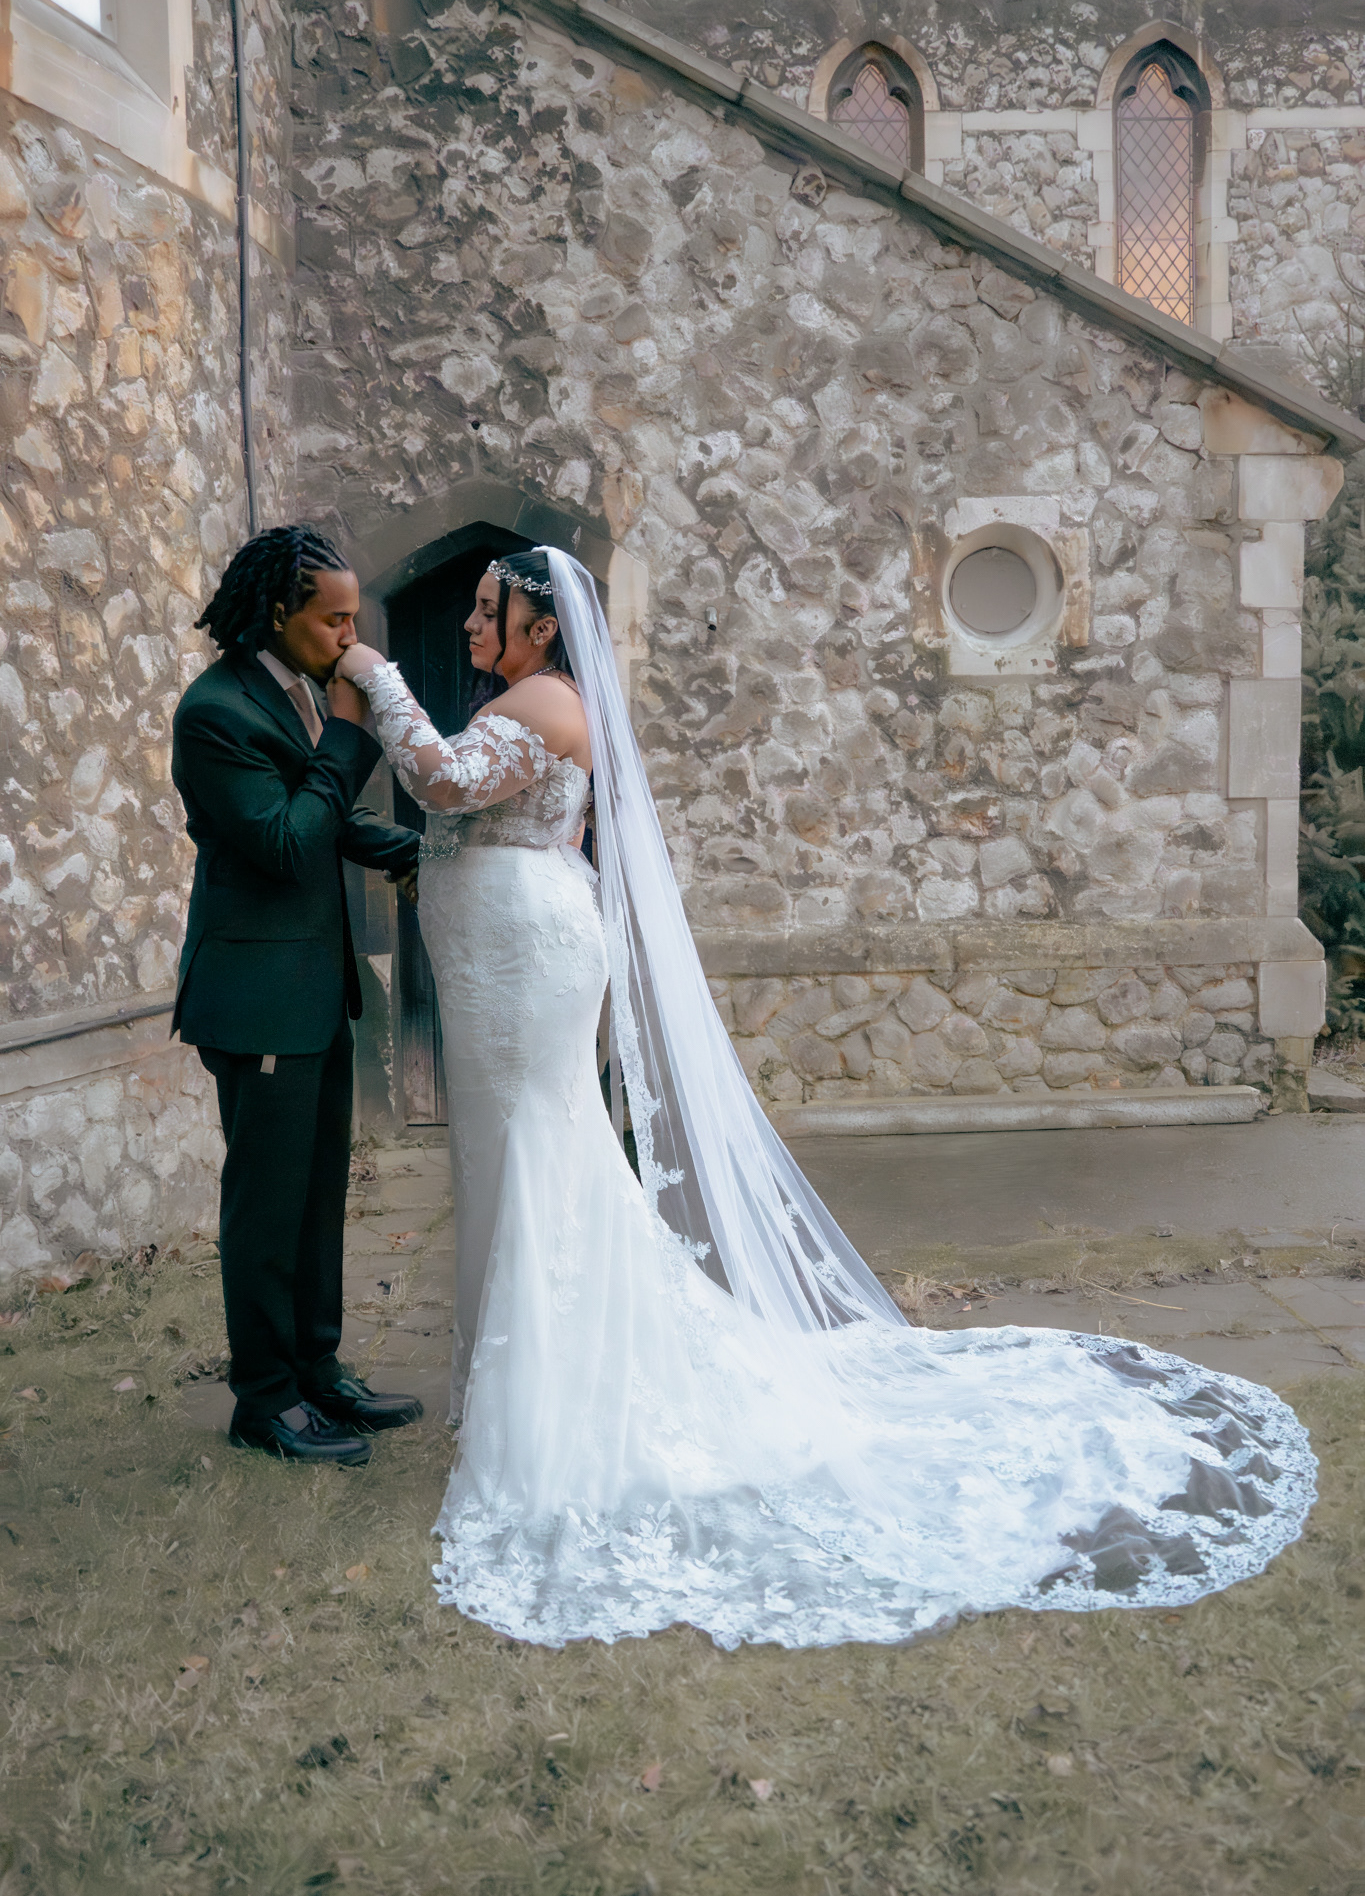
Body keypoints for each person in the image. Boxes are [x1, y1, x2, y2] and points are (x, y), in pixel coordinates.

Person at [328, 546, 1316, 1648]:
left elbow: (443, 781)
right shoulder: (525, 699)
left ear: (543, 626)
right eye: (470, 610)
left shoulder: (548, 702)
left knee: (536, 1153)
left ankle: (553, 1400)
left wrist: (373, 673)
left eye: (487, 609)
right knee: (512, 1155)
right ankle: (521, 1381)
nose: (470, 625)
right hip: (497, 957)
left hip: (522, 959)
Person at [172, 525, 425, 1467]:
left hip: (315, 991)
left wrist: (436, 853)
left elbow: (328, 820)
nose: (351, 637)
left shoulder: (297, 693)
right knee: (266, 1208)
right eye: (335, 620)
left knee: (317, 1199)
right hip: (259, 998)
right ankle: (265, 1400)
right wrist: (351, 735)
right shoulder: (215, 713)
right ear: (279, 611)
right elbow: (284, 841)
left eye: (353, 618)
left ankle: (317, 1372)